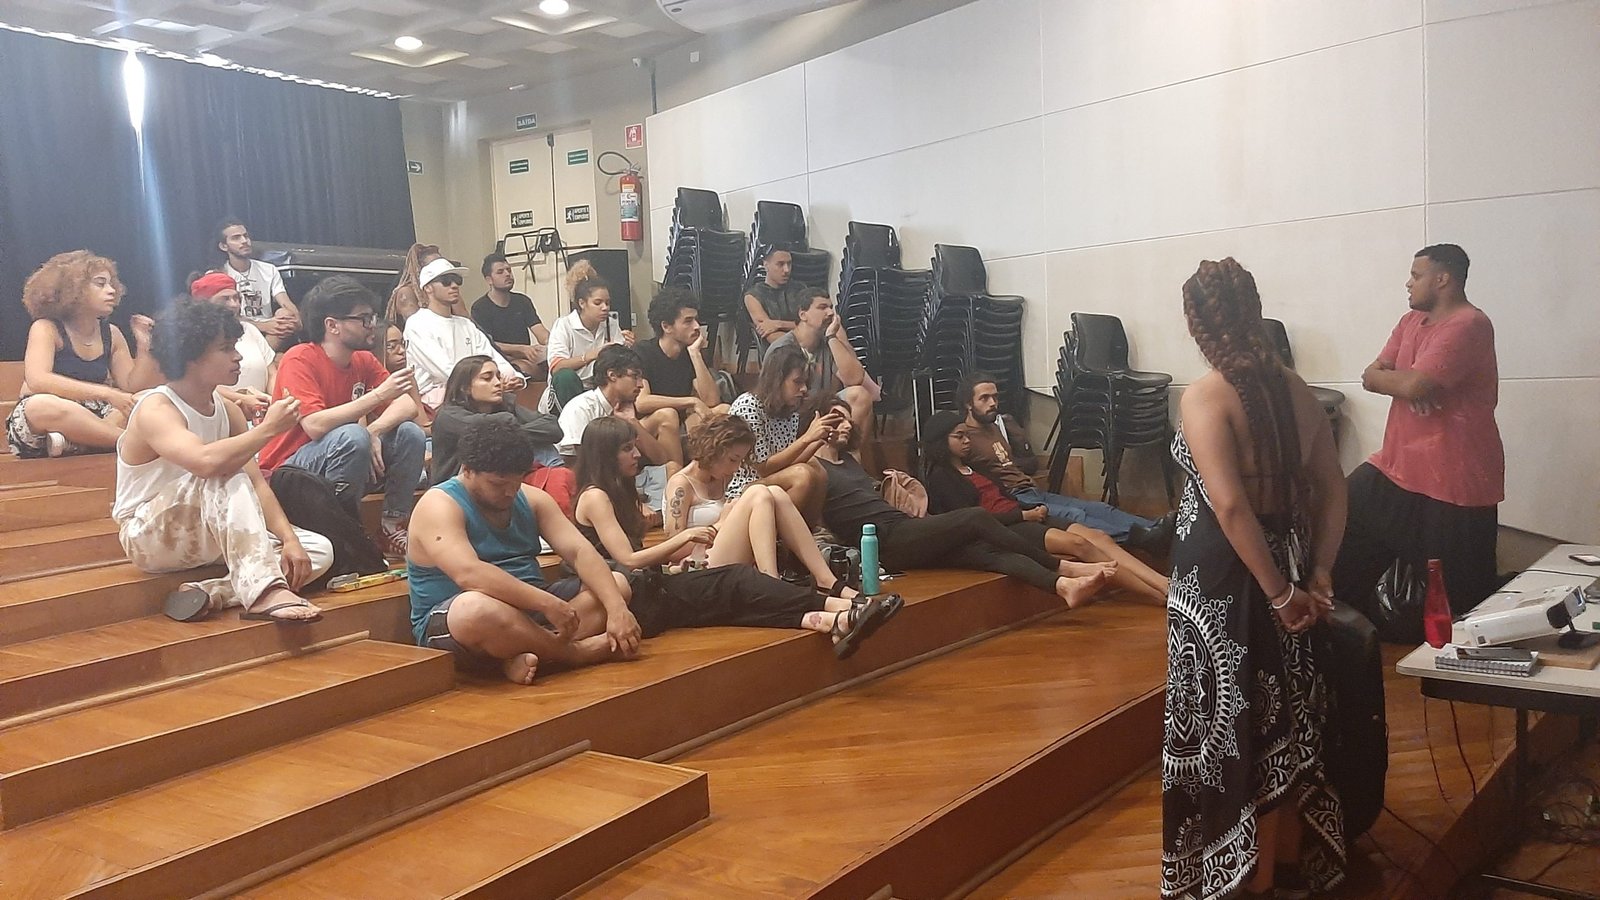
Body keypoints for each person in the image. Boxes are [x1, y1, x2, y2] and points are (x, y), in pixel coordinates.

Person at [1161, 257, 1347, 900]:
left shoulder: (1205, 395)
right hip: (1288, 564)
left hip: (1221, 586)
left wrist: (1277, 592)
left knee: (1224, 734)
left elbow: (1229, 506)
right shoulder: (1294, 389)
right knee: (1280, 727)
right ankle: (1280, 870)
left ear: (1197, 323)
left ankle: (1239, 884)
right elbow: (1332, 488)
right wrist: (1315, 572)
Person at [574, 417, 896, 659]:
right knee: (758, 500)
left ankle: (833, 604)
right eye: (627, 449)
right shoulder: (599, 497)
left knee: (770, 496)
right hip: (658, 580)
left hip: (654, 583)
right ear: (605, 455)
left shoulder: (623, 493)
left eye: (634, 446)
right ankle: (808, 597)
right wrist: (702, 530)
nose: (637, 454)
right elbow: (630, 559)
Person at [114, 298, 330, 623]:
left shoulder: (228, 410)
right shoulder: (156, 408)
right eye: (226, 348)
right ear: (191, 356)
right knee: (224, 470)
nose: (238, 356)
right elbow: (205, 463)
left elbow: (257, 483)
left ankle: (210, 592)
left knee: (317, 550)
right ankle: (264, 593)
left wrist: (289, 539)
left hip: (209, 531)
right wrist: (269, 429)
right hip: (150, 536)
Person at [1333, 244, 1503, 618]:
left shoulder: (1469, 324)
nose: (1408, 284)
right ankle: (1349, 628)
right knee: (1343, 513)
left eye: (1415, 275)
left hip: (1455, 479)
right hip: (1398, 467)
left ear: (1442, 279)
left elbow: (1413, 387)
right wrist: (1401, 382)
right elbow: (1373, 374)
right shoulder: (1410, 322)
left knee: (1463, 597)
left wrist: (1408, 383)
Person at [811, 397, 1109, 608]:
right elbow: (777, 475)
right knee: (975, 517)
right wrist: (810, 440)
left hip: (902, 530)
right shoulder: (811, 468)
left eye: (848, 418)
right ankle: (1060, 568)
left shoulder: (849, 460)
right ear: (817, 421)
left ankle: (1063, 587)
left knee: (984, 553)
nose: (847, 425)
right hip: (885, 542)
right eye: (837, 418)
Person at [407, 420, 640, 684]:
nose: (509, 492)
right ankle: (575, 653)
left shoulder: (532, 498)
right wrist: (546, 602)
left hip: (527, 613)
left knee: (616, 585)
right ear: (468, 470)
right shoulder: (438, 504)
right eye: (497, 484)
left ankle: (521, 654)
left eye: (516, 482)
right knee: (475, 609)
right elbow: (469, 574)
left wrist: (618, 610)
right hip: (460, 619)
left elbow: (579, 551)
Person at [258, 276, 427, 560]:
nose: (371, 325)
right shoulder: (299, 357)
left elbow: (408, 405)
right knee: (352, 436)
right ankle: (345, 535)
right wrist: (374, 399)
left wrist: (374, 429)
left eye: (370, 317)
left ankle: (390, 526)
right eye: (362, 318)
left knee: (409, 433)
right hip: (287, 471)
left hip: (342, 456)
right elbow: (314, 425)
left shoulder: (363, 359)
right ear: (332, 325)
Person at [921, 411, 1166, 604]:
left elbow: (1005, 494)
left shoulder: (974, 467)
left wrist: (1029, 510)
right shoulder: (941, 477)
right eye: (959, 436)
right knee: (1079, 544)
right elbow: (973, 520)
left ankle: (1162, 583)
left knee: (1098, 535)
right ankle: (1155, 595)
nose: (966, 441)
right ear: (942, 441)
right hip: (1006, 527)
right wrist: (1022, 514)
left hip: (1024, 513)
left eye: (967, 435)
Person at [960, 373, 1172, 550]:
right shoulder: (964, 437)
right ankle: (1142, 538)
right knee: (1075, 514)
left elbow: (1016, 461)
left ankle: (1157, 528)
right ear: (968, 404)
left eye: (995, 397)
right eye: (984, 398)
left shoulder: (994, 426)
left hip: (1029, 489)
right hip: (1015, 498)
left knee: (1099, 508)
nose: (993, 403)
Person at [665, 412, 868, 594]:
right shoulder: (681, 485)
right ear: (713, 449)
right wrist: (719, 525)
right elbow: (672, 552)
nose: (736, 469)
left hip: (720, 555)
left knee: (775, 494)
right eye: (733, 459)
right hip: (695, 568)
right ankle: (771, 584)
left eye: (740, 461)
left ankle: (826, 580)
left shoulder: (720, 476)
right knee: (758, 493)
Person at [6, 250, 159, 458]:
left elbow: (132, 387)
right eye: (100, 283)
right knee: (40, 406)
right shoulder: (46, 328)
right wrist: (105, 393)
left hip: (99, 415)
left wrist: (145, 347)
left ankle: (78, 441)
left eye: (111, 283)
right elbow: (37, 380)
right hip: (53, 412)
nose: (112, 290)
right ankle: (131, 442)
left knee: (148, 398)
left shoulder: (111, 332)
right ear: (73, 289)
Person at [432, 355, 575, 516]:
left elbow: (552, 427)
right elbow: (489, 428)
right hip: (458, 490)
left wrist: (511, 431)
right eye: (487, 378)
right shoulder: (450, 416)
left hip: (503, 479)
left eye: (498, 376)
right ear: (465, 387)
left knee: (547, 455)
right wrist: (510, 427)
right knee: (537, 450)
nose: (497, 383)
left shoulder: (504, 404)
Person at [403, 257, 523, 409]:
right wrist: (488, 383)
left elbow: (491, 356)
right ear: (428, 288)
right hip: (435, 401)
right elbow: (446, 372)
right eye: (446, 281)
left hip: (475, 393)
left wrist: (513, 378)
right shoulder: (417, 323)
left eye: (457, 280)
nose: (454, 286)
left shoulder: (465, 324)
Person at [725, 345, 829, 517]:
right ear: (777, 380)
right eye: (797, 382)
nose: (803, 389)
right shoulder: (749, 406)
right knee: (802, 475)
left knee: (818, 471)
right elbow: (763, 468)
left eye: (806, 383)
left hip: (772, 479)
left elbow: (789, 462)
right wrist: (806, 438)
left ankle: (809, 531)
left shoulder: (790, 412)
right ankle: (780, 535)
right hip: (744, 487)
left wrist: (818, 440)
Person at [768, 287, 878, 437]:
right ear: (803, 314)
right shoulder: (782, 348)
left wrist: (833, 337)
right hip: (792, 412)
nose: (830, 313)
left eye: (831, 307)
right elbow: (773, 395)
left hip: (822, 407)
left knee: (860, 395)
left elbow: (855, 379)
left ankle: (851, 457)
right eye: (822, 307)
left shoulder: (829, 342)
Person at [635, 287, 727, 430]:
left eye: (696, 320)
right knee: (668, 414)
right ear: (666, 326)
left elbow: (711, 401)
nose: (697, 326)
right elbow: (642, 402)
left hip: (680, 423)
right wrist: (690, 401)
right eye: (688, 321)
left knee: (723, 410)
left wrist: (695, 354)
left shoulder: (690, 352)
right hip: (649, 425)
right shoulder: (642, 352)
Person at [539, 273, 632, 412]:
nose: (605, 307)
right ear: (582, 303)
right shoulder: (564, 325)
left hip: (598, 388)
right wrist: (592, 355)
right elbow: (557, 367)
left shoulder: (610, 324)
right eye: (598, 303)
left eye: (607, 302)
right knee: (566, 376)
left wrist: (627, 348)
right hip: (568, 389)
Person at [189, 271, 276, 419]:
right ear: (205, 302)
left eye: (236, 298)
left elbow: (272, 372)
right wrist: (241, 399)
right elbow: (195, 382)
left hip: (261, 412)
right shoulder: (194, 336)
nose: (234, 304)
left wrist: (275, 399)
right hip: (219, 414)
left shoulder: (250, 329)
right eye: (225, 299)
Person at [216, 218, 301, 351]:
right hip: (239, 330)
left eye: (246, 236)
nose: (244, 241)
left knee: (284, 312)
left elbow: (285, 301)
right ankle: (265, 361)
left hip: (271, 332)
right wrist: (264, 325)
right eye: (236, 238)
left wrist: (296, 319)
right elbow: (225, 316)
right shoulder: (220, 275)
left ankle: (262, 360)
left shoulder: (269, 269)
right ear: (223, 246)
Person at [471, 253, 549, 378]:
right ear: (489, 280)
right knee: (528, 369)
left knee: (556, 365)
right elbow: (488, 342)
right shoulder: (480, 307)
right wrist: (522, 349)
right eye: (500, 272)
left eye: (509, 270)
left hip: (527, 355)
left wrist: (553, 342)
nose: (507, 274)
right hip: (500, 359)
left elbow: (539, 330)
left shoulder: (522, 301)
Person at [743, 247, 808, 354]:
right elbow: (770, 335)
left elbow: (813, 323)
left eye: (789, 264)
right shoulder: (753, 296)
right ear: (766, 265)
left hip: (808, 348)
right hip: (777, 353)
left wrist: (779, 324)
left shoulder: (800, 289)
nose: (786, 270)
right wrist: (805, 337)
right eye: (780, 264)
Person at [385, 242, 441, 325]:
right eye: (434, 266)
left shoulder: (447, 287)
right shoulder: (406, 292)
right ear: (419, 268)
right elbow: (417, 325)